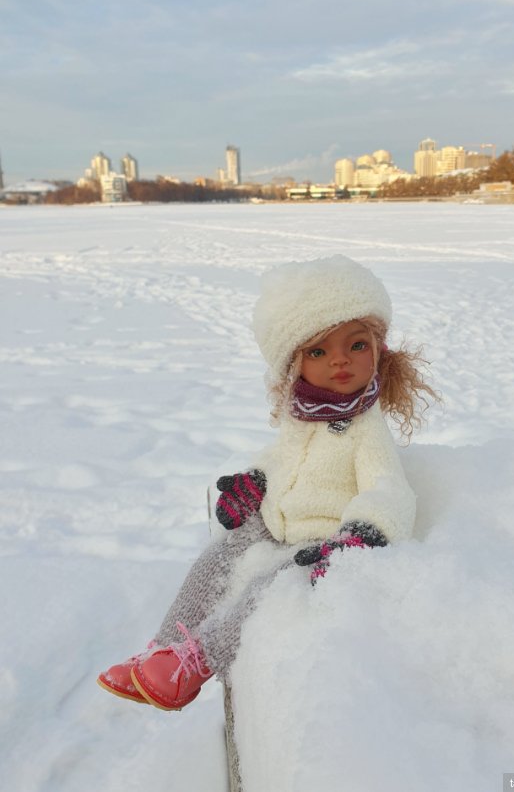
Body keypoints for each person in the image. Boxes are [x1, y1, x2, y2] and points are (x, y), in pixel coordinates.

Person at [97, 255, 437, 711]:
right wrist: (256, 482)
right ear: (294, 365)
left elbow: (389, 488)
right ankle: (159, 650)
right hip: (274, 519)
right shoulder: (302, 413)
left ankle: (196, 663)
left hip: (320, 537)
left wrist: (363, 531)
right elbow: (283, 456)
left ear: (378, 350)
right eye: (318, 351)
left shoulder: (365, 429)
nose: (339, 360)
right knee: (213, 560)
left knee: (268, 590)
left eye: (356, 345)